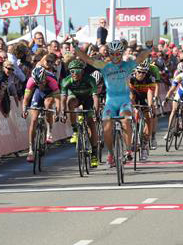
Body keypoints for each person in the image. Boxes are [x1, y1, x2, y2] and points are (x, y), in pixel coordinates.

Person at [73, 39, 153, 168]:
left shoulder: (127, 65)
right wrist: (76, 48)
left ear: (121, 53)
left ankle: (128, 150)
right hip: (111, 103)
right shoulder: (105, 66)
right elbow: (87, 59)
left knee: (126, 120)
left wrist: (149, 49)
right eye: (112, 54)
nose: (115, 57)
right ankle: (110, 154)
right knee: (107, 126)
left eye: (118, 54)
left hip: (124, 102)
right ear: (109, 54)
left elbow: (140, 58)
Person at [59, 59, 100, 167]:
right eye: (72, 71)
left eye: (77, 71)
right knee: (70, 102)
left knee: (91, 123)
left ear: (82, 72)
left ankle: (94, 153)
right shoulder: (66, 81)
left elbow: (95, 97)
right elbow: (63, 98)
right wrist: (62, 112)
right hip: (75, 97)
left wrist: (95, 110)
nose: (74, 74)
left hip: (88, 99)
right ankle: (75, 130)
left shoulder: (90, 79)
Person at [22, 66, 61, 162]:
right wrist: (24, 110)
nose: (40, 85)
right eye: (37, 83)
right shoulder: (31, 81)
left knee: (48, 106)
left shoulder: (52, 80)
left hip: (50, 93)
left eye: (42, 82)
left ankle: (49, 132)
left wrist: (57, 112)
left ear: (45, 78)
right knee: (34, 120)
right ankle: (31, 150)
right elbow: (26, 99)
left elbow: (58, 100)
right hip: (38, 93)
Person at [128, 62, 157, 161]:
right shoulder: (130, 77)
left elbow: (150, 93)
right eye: (139, 72)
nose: (141, 74)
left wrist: (149, 106)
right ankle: (132, 134)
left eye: (144, 72)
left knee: (149, 117)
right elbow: (130, 93)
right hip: (134, 94)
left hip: (145, 95)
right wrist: (133, 105)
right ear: (135, 71)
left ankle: (144, 146)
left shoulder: (150, 78)